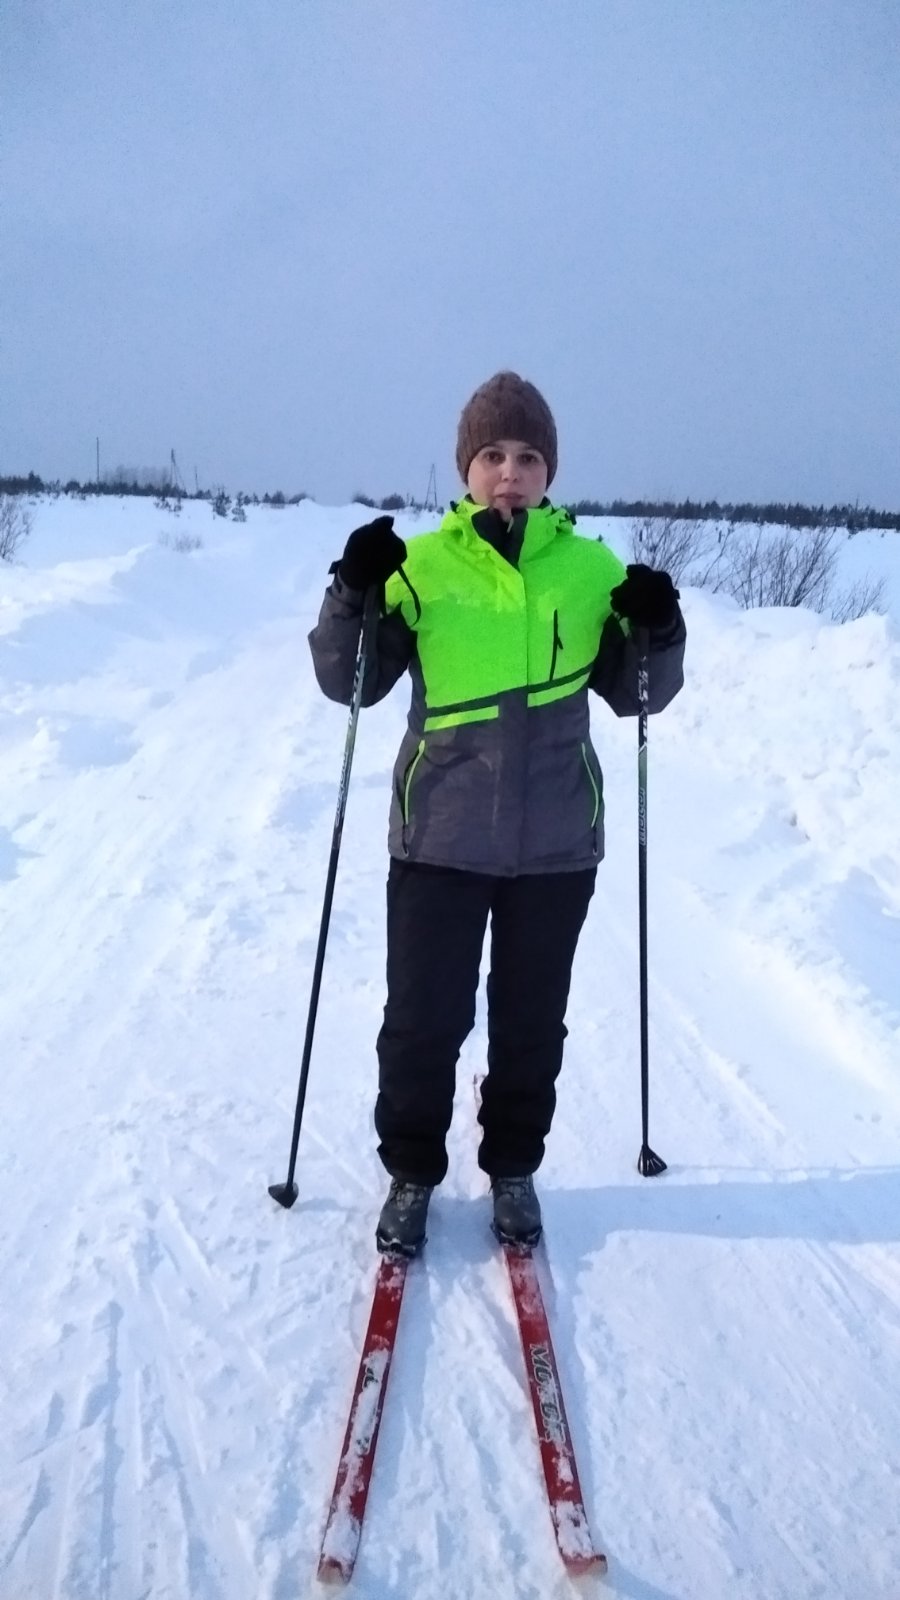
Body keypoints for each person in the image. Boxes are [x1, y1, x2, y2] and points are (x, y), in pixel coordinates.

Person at [309, 371, 685, 1256]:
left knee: (531, 1021)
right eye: (491, 456)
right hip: (439, 838)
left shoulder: (590, 571)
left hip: (556, 844)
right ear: (465, 469)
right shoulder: (420, 568)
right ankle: (412, 1169)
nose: (509, 473)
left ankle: (513, 1164)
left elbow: (639, 695)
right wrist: (351, 592)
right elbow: (348, 681)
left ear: (549, 470)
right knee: (423, 1020)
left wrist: (658, 631)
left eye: (527, 457)